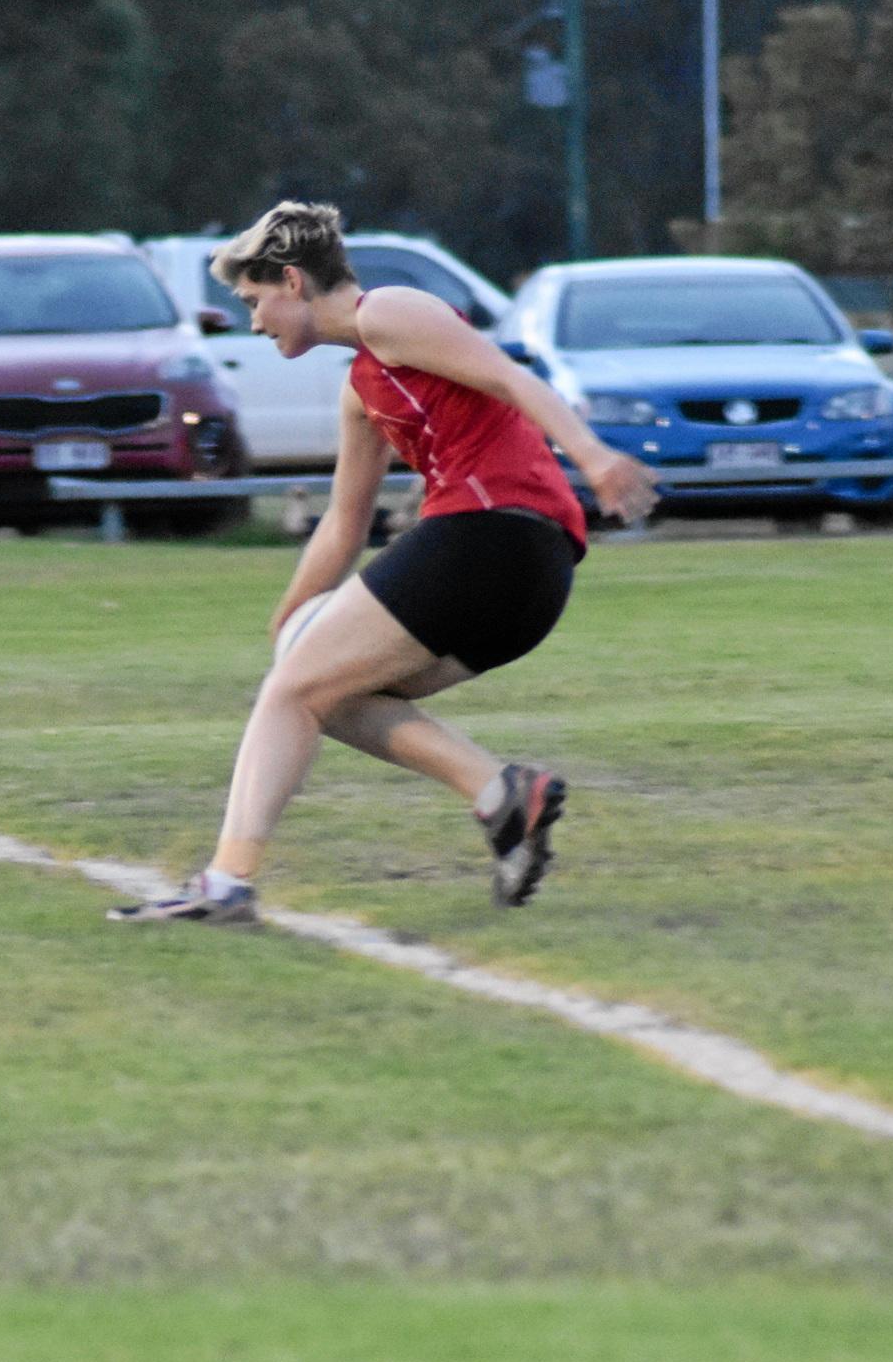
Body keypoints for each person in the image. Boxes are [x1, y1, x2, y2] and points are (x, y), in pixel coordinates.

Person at [110, 202, 659, 923]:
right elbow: (342, 526)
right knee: (326, 697)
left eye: (253, 301)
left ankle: (226, 884)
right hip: (531, 575)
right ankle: (501, 795)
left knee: (293, 694)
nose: (251, 322)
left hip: (490, 534)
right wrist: (287, 620)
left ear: (292, 280)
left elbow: (510, 379)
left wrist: (592, 456)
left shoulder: (387, 314)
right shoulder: (360, 387)